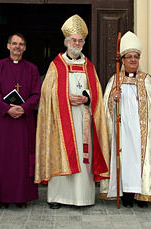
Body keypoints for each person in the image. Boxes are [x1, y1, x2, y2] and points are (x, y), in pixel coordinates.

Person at [34, 14, 110, 209]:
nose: (76, 43)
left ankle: (82, 198)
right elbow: (46, 94)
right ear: (66, 42)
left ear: (83, 43)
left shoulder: (89, 66)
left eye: (79, 40)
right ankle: (57, 198)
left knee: (82, 157)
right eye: (73, 40)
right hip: (61, 121)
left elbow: (97, 94)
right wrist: (64, 98)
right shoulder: (56, 66)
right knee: (62, 153)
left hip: (83, 118)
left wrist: (88, 98)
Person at [100, 31, 151, 208]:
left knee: (139, 162)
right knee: (125, 161)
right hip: (122, 129)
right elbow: (105, 110)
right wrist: (113, 99)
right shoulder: (115, 80)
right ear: (122, 60)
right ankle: (125, 195)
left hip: (140, 132)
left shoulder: (147, 80)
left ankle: (141, 195)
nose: (133, 60)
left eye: (135, 56)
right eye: (129, 57)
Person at [0, 33, 40, 209]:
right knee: (2, 158)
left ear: (25, 47)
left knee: (22, 159)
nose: (18, 47)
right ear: (8, 46)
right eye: (14, 43)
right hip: (3, 120)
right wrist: (7, 109)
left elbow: (36, 94)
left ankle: (21, 197)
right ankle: (2, 197)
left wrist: (23, 109)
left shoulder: (32, 69)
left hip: (24, 121)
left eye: (21, 44)